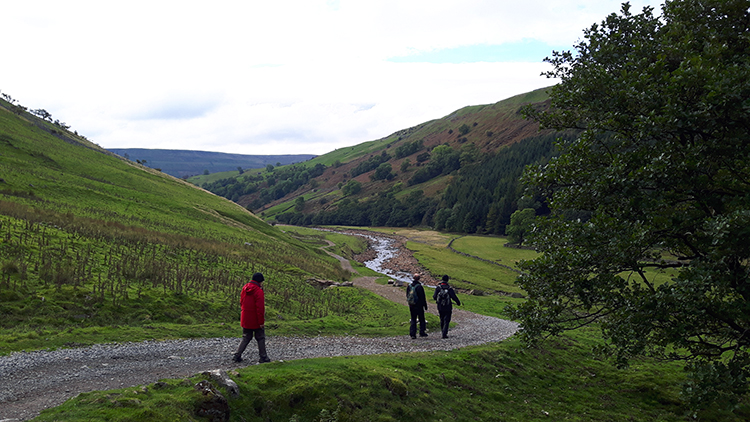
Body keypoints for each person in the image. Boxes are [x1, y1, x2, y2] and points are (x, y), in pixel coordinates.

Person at [233, 272, 271, 363]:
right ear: (260, 281)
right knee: (260, 337)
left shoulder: (245, 288)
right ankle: (263, 357)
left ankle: (237, 355)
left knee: (246, 337)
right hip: (255, 319)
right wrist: (261, 321)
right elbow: (260, 308)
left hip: (246, 317)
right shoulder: (258, 291)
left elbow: (241, 302)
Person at [433, 275, 461, 339]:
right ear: (447, 280)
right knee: (447, 320)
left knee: (441, 319)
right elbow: (454, 297)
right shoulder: (449, 288)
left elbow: (434, 297)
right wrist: (458, 302)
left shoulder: (438, 288)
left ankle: (443, 331)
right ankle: (444, 333)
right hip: (448, 306)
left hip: (440, 306)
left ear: (442, 279)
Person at [406, 273, 428, 339]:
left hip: (412, 305)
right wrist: (425, 305)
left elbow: (407, 295)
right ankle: (422, 332)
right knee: (421, 319)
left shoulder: (409, 286)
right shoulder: (419, 287)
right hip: (419, 306)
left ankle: (413, 334)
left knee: (413, 319)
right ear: (419, 279)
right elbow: (422, 297)